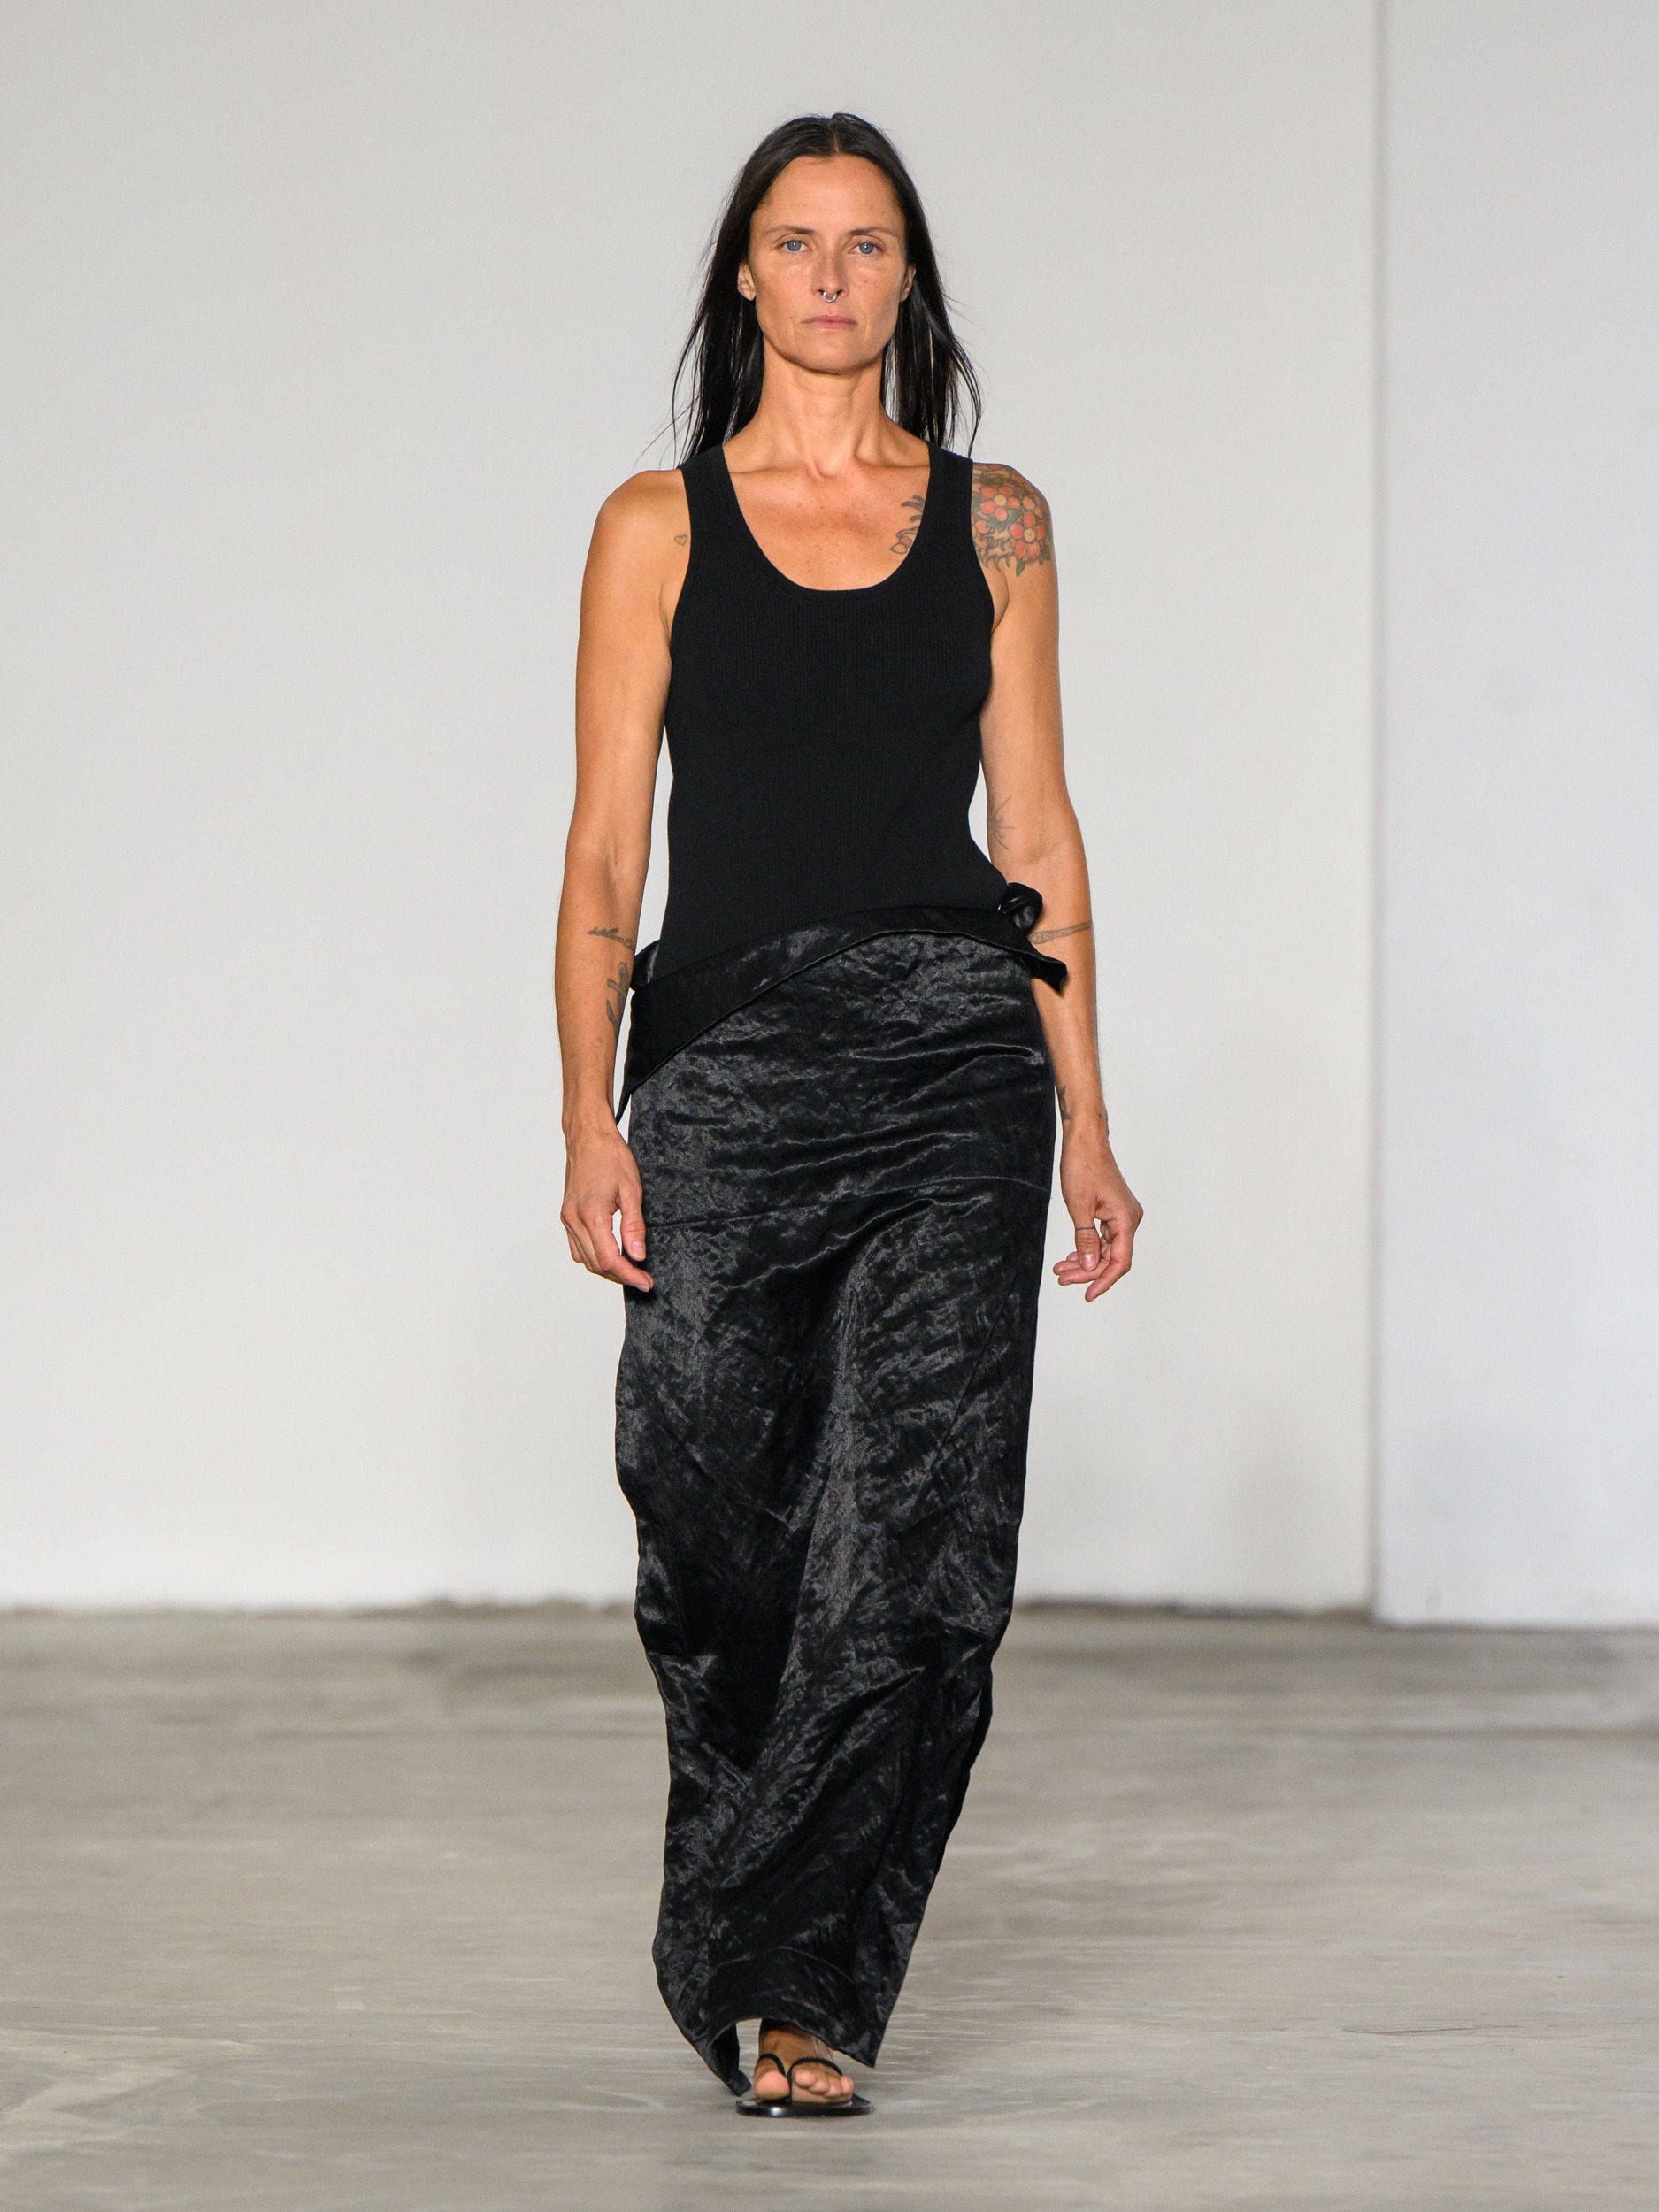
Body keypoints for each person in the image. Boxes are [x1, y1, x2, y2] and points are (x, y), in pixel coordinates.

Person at [554, 111, 1141, 2117]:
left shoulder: (998, 523)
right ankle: (741, 1915)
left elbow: (1037, 830)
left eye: (865, 242)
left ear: (907, 275)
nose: (829, 276)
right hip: (723, 1066)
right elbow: (603, 849)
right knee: (713, 1527)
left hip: (954, 1058)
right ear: (744, 272)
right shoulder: (655, 524)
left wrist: (1085, 1116)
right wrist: (588, 1116)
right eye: (794, 242)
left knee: (917, 1551)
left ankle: (801, 1988)